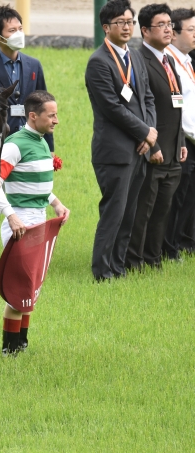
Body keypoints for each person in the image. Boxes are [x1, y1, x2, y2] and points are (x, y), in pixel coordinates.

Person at [0, 91, 70, 354]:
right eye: (52, 115)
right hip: (20, 224)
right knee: (19, 287)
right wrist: (11, 215)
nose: (56, 120)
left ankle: (21, 343)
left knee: (32, 286)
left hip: (39, 222)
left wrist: (56, 203)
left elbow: (37, 183)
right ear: (33, 116)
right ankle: (9, 348)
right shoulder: (14, 145)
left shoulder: (42, 142)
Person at [0, 4, 53, 268]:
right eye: (12, 30)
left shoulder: (33, 65)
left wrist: (47, 149)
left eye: (20, 28)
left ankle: (20, 253)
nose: (19, 33)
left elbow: (44, 106)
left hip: (27, 145)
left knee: (22, 195)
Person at [85, 0, 158, 282]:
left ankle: (118, 266)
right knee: (114, 212)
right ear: (106, 28)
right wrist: (144, 132)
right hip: (114, 151)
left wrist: (148, 133)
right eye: (121, 23)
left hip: (139, 148)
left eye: (130, 21)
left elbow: (147, 98)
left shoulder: (136, 57)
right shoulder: (99, 62)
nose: (127, 27)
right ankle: (102, 271)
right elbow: (112, 108)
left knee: (129, 213)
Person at [126, 4, 186, 270]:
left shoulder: (169, 59)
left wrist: (181, 141)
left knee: (162, 210)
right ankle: (134, 261)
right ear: (145, 31)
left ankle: (153, 259)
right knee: (144, 210)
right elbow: (141, 108)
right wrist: (154, 145)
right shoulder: (140, 61)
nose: (168, 29)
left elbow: (177, 105)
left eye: (170, 24)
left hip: (173, 149)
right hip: (153, 150)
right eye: (161, 24)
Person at [163, 8, 195, 261]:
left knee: (188, 196)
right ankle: (169, 248)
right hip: (180, 141)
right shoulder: (170, 62)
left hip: (190, 140)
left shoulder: (187, 60)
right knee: (176, 197)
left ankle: (184, 242)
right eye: (191, 30)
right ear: (173, 34)